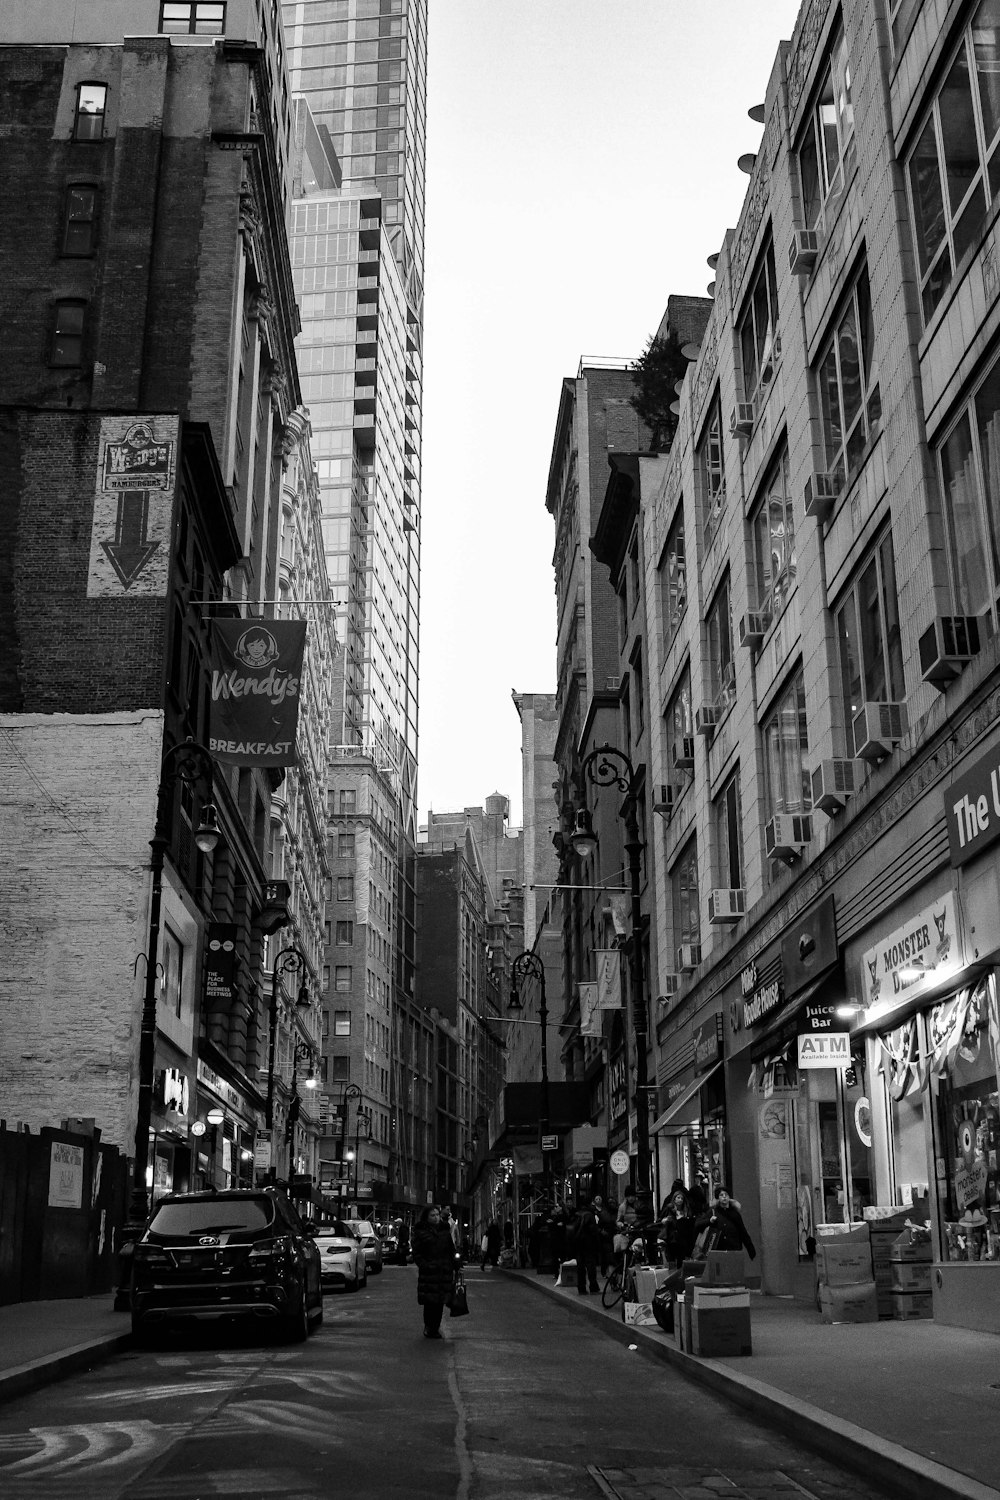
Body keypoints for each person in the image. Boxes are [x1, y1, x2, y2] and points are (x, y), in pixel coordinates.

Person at [412, 1205, 460, 1339]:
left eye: (437, 1215)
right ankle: (429, 1327)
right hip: (429, 1272)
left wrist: (456, 1265)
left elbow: (451, 1249)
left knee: (440, 1302)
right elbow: (417, 1252)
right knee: (429, 1302)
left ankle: (435, 1328)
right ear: (427, 1217)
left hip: (443, 1271)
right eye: (432, 1215)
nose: (436, 1217)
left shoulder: (444, 1230)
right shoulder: (421, 1231)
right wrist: (424, 1265)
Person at [703, 1187, 757, 1260]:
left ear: (729, 1197)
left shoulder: (735, 1214)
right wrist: (709, 1221)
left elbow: (743, 1232)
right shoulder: (713, 1212)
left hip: (733, 1250)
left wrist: (751, 1250)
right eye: (721, 1195)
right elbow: (699, 1224)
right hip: (717, 1251)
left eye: (726, 1194)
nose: (724, 1197)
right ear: (718, 1198)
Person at [657, 1187, 698, 1268]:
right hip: (671, 1239)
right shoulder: (669, 1209)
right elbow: (660, 1221)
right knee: (671, 1261)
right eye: (678, 1198)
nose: (680, 1200)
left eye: (682, 1198)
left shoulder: (686, 1212)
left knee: (681, 1261)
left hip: (682, 1240)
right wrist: (664, 1220)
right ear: (674, 1199)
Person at [567, 1199, 602, 1294]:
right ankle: (593, 1286)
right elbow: (594, 1232)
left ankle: (581, 1287)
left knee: (580, 1266)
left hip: (578, 1243)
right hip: (588, 1243)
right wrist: (597, 1245)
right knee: (590, 1266)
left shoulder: (576, 1215)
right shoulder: (589, 1215)